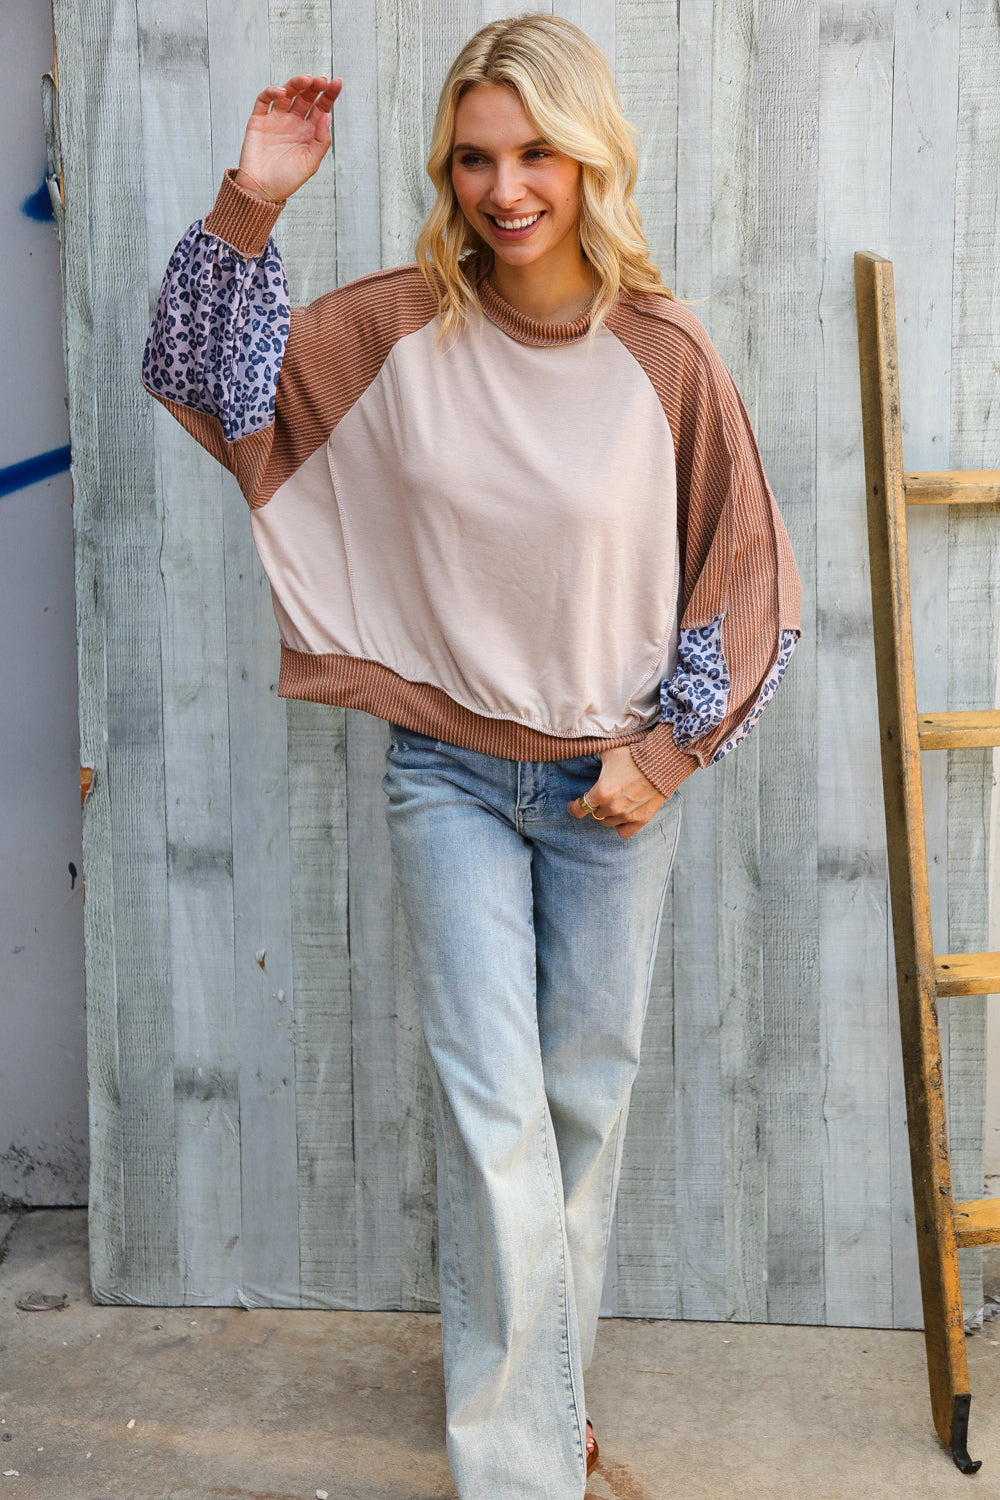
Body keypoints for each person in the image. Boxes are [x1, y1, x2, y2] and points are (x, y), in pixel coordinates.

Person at [142, 14, 800, 1498]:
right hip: (445, 773)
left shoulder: (667, 351)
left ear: (590, 159)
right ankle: (525, 1472)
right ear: (448, 168)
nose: (507, 190)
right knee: (497, 1115)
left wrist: (670, 756)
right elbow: (201, 386)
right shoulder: (393, 329)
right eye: (476, 158)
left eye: (538, 155)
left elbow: (750, 577)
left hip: (611, 792)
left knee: (579, 1110)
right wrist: (256, 197)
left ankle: (541, 1408)